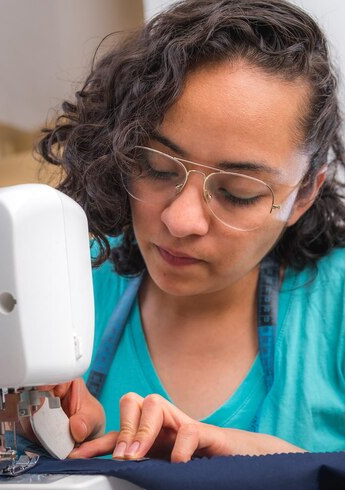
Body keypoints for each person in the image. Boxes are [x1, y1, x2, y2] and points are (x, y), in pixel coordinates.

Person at [32, 0, 345, 463]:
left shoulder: (335, 305)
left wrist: (266, 463)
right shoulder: (74, 280)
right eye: (156, 168)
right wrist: (52, 433)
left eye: (238, 192)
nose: (180, 220)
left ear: (302, 195)